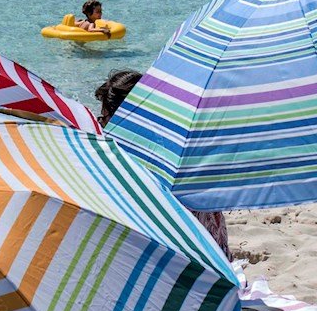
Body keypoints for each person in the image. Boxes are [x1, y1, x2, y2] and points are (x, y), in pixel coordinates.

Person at [96, 72, 228, 253]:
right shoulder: (180, 150)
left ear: (123, 121)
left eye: (104, 119)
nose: (102, 128)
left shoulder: (138, 170)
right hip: (216, 253)